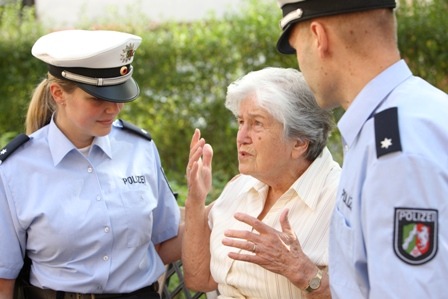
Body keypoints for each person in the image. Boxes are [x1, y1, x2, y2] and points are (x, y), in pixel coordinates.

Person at [275, 0, 448, 297]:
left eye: (297, 48)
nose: (300, 65)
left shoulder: (396, 150)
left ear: (318, 37)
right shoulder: (406, 116)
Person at [0, 29, 181, 299]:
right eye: (97, 99)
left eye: (118, 96)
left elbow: (164, 241)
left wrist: (215, 212)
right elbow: (4, 279)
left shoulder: (139, 150)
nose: (113, 108)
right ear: (58, 93)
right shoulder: (16, 170)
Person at [182, 67, 341, 298]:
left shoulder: (343, 199)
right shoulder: (240, 186)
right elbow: (200, 279)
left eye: (257, 123)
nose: (241, 137)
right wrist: (196, 199)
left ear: (299, 143)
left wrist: (302, 272)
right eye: (241, 122)